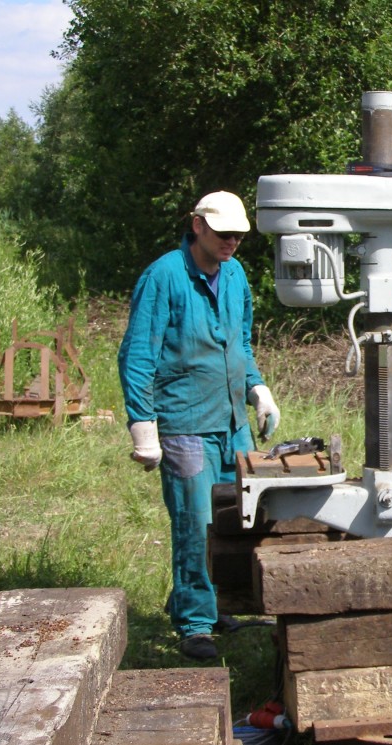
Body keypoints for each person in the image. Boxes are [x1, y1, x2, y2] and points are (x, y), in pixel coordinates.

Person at [118, 190, 281, 661]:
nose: (232, 241)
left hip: (231, 421)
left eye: (238, 235)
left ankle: (216, 603)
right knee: (197, 522)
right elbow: (137, 355)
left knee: (237, 515)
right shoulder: (164, 276)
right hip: (185, 421)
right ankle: (194, 623)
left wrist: (257, 390)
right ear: (198, 226)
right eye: (224, 233)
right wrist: (143, 426)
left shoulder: (235, 275)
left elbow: (241, 344)